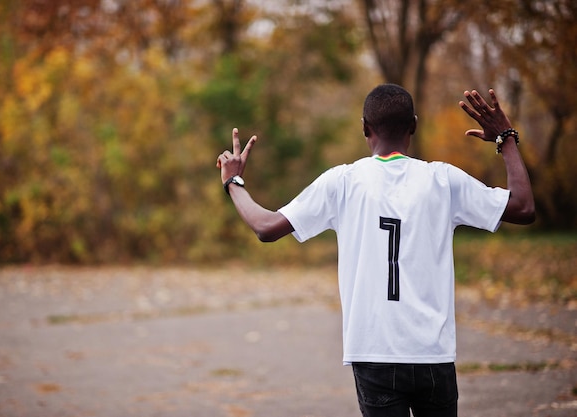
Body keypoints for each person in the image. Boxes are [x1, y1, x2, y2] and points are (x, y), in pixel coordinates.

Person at [215, 84, 535, 417]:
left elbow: (266, 228)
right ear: (413, 125)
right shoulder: (443, 180)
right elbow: (524, 208)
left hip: (373, 352)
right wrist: (505, 139)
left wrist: (233, 182)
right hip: (432, 354)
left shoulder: (342, 182)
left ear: (365, 128)